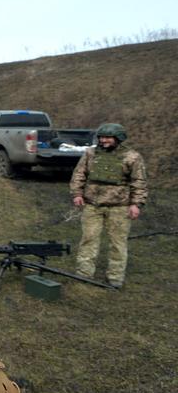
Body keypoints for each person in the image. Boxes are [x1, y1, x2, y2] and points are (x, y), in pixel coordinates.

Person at [69, 123, 147, 288]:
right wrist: (77, 194)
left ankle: (115, 278)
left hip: (119, 207)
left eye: (108, 138)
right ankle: (84, 273)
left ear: (118, 138)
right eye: (101, 137)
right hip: (92, 205)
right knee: (88, 239)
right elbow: (79, 174)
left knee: (118, 243)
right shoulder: (90, 153)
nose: (103, 140)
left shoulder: (132, 157)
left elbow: (139, 182)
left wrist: (136, 204)